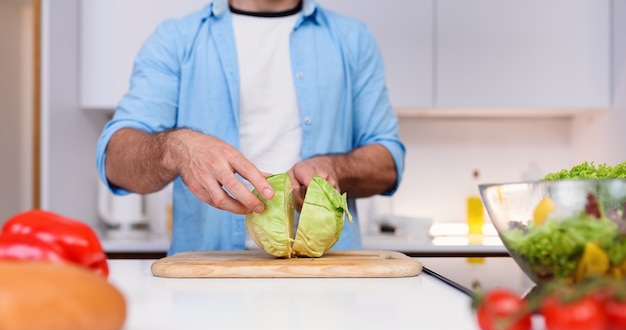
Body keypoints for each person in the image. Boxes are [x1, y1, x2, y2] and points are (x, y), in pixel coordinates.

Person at [96, 0, 406, 255]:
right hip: (209, 285)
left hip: (328, 278)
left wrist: (336, 168)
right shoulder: (176, 39)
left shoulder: (352, 39)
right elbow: (114, 161)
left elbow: (388, 162)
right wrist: (177, 148)